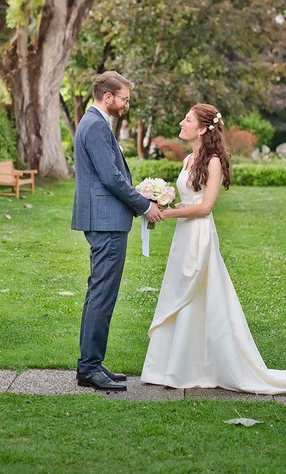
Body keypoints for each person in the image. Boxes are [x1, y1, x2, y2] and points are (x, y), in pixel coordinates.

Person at [141, 104, 286, 394]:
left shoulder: (212, 162)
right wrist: (162, 203)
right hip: (183, 236)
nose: (181, 123)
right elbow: (188, 201)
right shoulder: (188, 159)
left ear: (201, 129)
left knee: (200, 292)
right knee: (182, 292)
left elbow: (206, 207)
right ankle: (173, 365)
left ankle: (200, 367)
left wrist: (167, 214)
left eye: (187, 120)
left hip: (199, 235)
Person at [71, 71, 164, 391]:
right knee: (101, 293)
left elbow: (110, 176)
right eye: (124, 98)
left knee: (101, 292)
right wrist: (144, 205)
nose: (126, 104)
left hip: (105, 219)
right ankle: (89, 367)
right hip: (105, 221)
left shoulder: (95, 123)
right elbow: (111, 178)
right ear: (107, 97)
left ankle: (91, 363)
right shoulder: (95, 125)